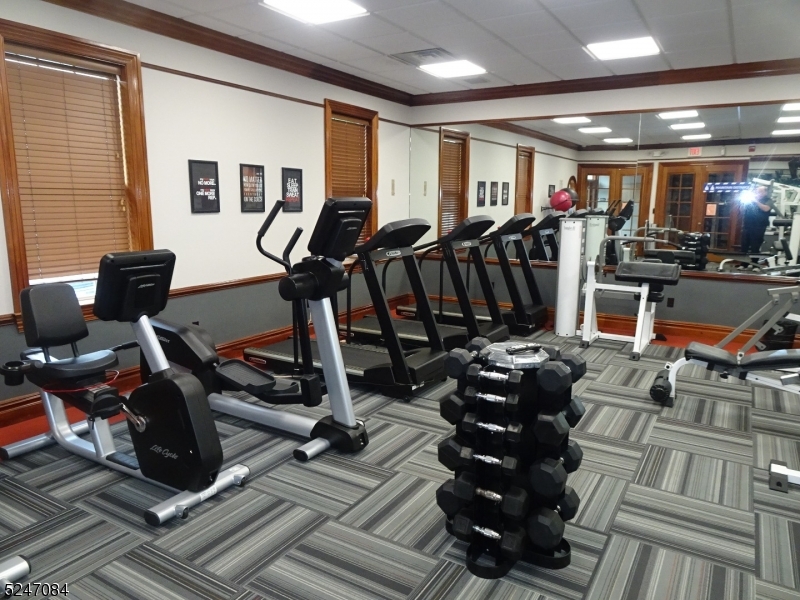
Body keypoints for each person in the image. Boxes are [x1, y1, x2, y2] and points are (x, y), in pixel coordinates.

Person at [740, 186, 774, 255]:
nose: (758, 193)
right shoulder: (751, 200)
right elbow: (742, 210)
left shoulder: (768, 200)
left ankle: (754, 263)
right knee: (744, 244)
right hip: (748, 225)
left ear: (765, 192)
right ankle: (743, 263)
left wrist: (756, 202)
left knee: (755, 245)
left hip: (759, 226)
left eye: (760, 191)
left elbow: (766, 209)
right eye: (757, 191)